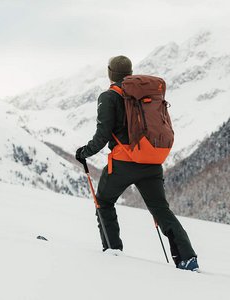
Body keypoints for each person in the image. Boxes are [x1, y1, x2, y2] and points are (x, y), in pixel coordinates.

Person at [75, 55, 199, 271]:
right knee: (161, 209)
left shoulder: (108, 97)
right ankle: (187, 258)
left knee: (104, 201)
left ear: (110, 73)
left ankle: (113, 250)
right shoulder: (145, 95)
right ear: (130, 72)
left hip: (123, 163)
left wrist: (84, 152)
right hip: (151, 161)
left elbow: (103, 135)